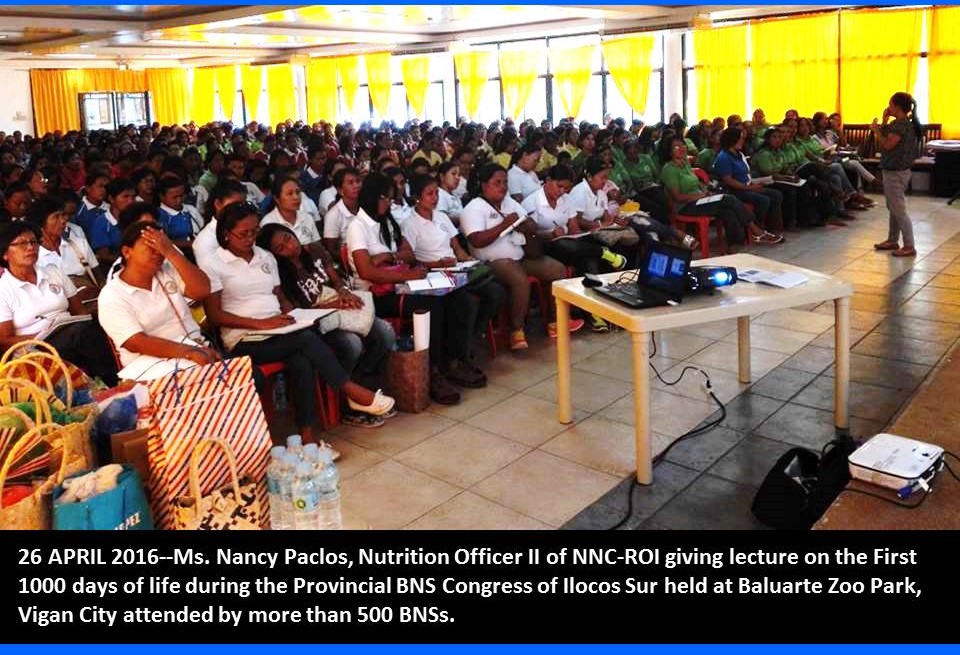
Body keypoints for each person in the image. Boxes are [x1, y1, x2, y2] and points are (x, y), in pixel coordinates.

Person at [203, 202, 395, 441]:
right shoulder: (213, 263)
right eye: (243, 234)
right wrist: (261, 324)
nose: (250, 238)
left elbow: (280, 296)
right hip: (244, 338)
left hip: (279, 330)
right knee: (305, 341)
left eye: (254, 232)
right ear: (225, 234)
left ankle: (307, 438)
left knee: (302, 360)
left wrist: (293, 316)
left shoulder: (265, 256)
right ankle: (352, 392)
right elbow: (214, 315)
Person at [348, 173, 484, 403]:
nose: (388, 204)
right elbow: (367, 272)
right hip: (378, 294)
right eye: (385, 199)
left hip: (402, 284)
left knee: (460, 298)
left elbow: (408, 253)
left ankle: (453, 360)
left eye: (391, 199)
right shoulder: (357, 227)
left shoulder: (385, 220)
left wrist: (389, 256)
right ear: (373, 197)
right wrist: (403, 269)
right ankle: (432, 371)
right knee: (431, 304)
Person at [258, 223, 396, 429]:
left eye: (288, 237)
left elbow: (337, 280)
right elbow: (297, 312)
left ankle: (360, 384)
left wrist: (344, 292)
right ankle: (348, 401)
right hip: (317, 322)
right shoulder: (282, 274)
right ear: (274, 254)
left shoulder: (313, 250)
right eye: (280, 248)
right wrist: (332, 305)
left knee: (384, 333)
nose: (289, 246)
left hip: (341, 308)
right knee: (351, 344)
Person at [460, 164, 582, 350]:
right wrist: (504, 225)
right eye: (497, 182)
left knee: (556, 269)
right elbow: (476, 240)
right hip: (492, 261)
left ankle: (555, 321)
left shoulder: (509, 202)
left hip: (521, 255)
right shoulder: (474, 208)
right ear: (484, 185)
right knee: (519, 280)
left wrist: (526, 226)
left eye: (505, 182)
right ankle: (517, 330)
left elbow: (530, 223)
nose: (503, 186)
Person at [0, 222, 118, 385]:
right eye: (22, 243)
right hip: (37, 347)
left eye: (34, 242)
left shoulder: (52, 272)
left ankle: (109, 381)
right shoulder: (4, 289)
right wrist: (39, 336)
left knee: (92, 325)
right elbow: (4, 339)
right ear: (5, 254)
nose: (30, 247)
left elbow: (80, 312)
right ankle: (112, 381)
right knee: (81, 334)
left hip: (71, 333)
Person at [97, 221, 215, 381]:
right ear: (127, 252)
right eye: (151, 247)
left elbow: (202, 291)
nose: (158, 253)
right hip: (150, 366)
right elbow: (136, 342)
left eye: (160, 247)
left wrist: (171, 252)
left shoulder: (167, 269)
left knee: (251, 376)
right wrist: (188, 351)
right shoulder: (112, 295)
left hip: (194, 351)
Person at [404, 173, 506, 346]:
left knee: (496, 291)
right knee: (467, 304)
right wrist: (438, 264)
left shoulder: (441, 216)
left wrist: (467, 260)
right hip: (433, 273)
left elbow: (457, 247)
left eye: (436, 193)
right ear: (417, 197)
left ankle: (474, 334)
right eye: (430, 194)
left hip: (454, 268)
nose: (435, 198)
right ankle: (461, 344)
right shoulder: (409, 224)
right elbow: (411, 260)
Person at [660, 137, 782, 249]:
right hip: (685, 206)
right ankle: (757, 230)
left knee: (728, 211)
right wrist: (701, 196)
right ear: (669, 151)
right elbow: (678, 197)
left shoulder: (685, 163)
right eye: (677, 147)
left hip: (700, 199)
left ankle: (735, 245)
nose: (682, 148)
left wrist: (706, 190)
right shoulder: (669, 169)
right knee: (728, 199)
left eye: (683, 145)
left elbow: (695, 183)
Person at [872, 92, 921, 258]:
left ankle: (909, 245)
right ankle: (893, 239)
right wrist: (884, 121)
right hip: (895, 170)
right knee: (893, 206)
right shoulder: (898, 123)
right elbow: (888, 134)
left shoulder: (902, 125)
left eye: (890, 105)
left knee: (899, 209)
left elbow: (887, 144)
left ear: (897, 107)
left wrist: (876, 130)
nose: (888, 107)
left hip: (896, 172)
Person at [713, 126, 785, 237]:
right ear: (732, 139)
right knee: (763, 200)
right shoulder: (724, 157)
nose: (743, 141)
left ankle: (773, 227)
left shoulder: (739, 154)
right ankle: (756, 227)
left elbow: (746, 174)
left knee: (776, 194)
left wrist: (755, 184)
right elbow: (728, 180)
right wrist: (750, 188)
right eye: (740, 138)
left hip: (747, 185)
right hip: (734, 190)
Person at [29, 195, 102, 302]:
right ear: (41, 222)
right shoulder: (33, 255)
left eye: (63, 215)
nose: (63, 220)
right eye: (56, 216)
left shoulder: (79, 244)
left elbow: (99, 278)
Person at [193, 179, 248, 267]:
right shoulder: (206, 240)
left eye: (243, 204)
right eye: (235, 205)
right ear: (218, 204)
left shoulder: (247, 228)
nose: (241, 210)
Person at [261, 177, 321, 246]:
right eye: (290, 194)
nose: (296, 197)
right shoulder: (268, 223)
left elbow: (317, 246)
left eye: (298, 192)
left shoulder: (307, 218)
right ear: (277, 199)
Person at [322, 166, 363, 255]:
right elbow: (332, 250)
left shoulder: (367, 206)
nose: (356, 186)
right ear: (340, 190)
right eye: (350, 183)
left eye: (358, 181)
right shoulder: (333, 215)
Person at [157, 176, 204, 247]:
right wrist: (190, 244)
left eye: (181, 196)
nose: (179, 200)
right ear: (161, 196)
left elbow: (203, 229)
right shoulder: (158, 215)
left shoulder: (191, 209)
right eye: (174, 197)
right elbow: (162, 242)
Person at [436, 161, 465, 225]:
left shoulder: (456, 196)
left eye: (459, 175)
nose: (457, 178)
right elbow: (441, 218)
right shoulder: (439, 194)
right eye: (453, 174)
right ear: (442, 176)